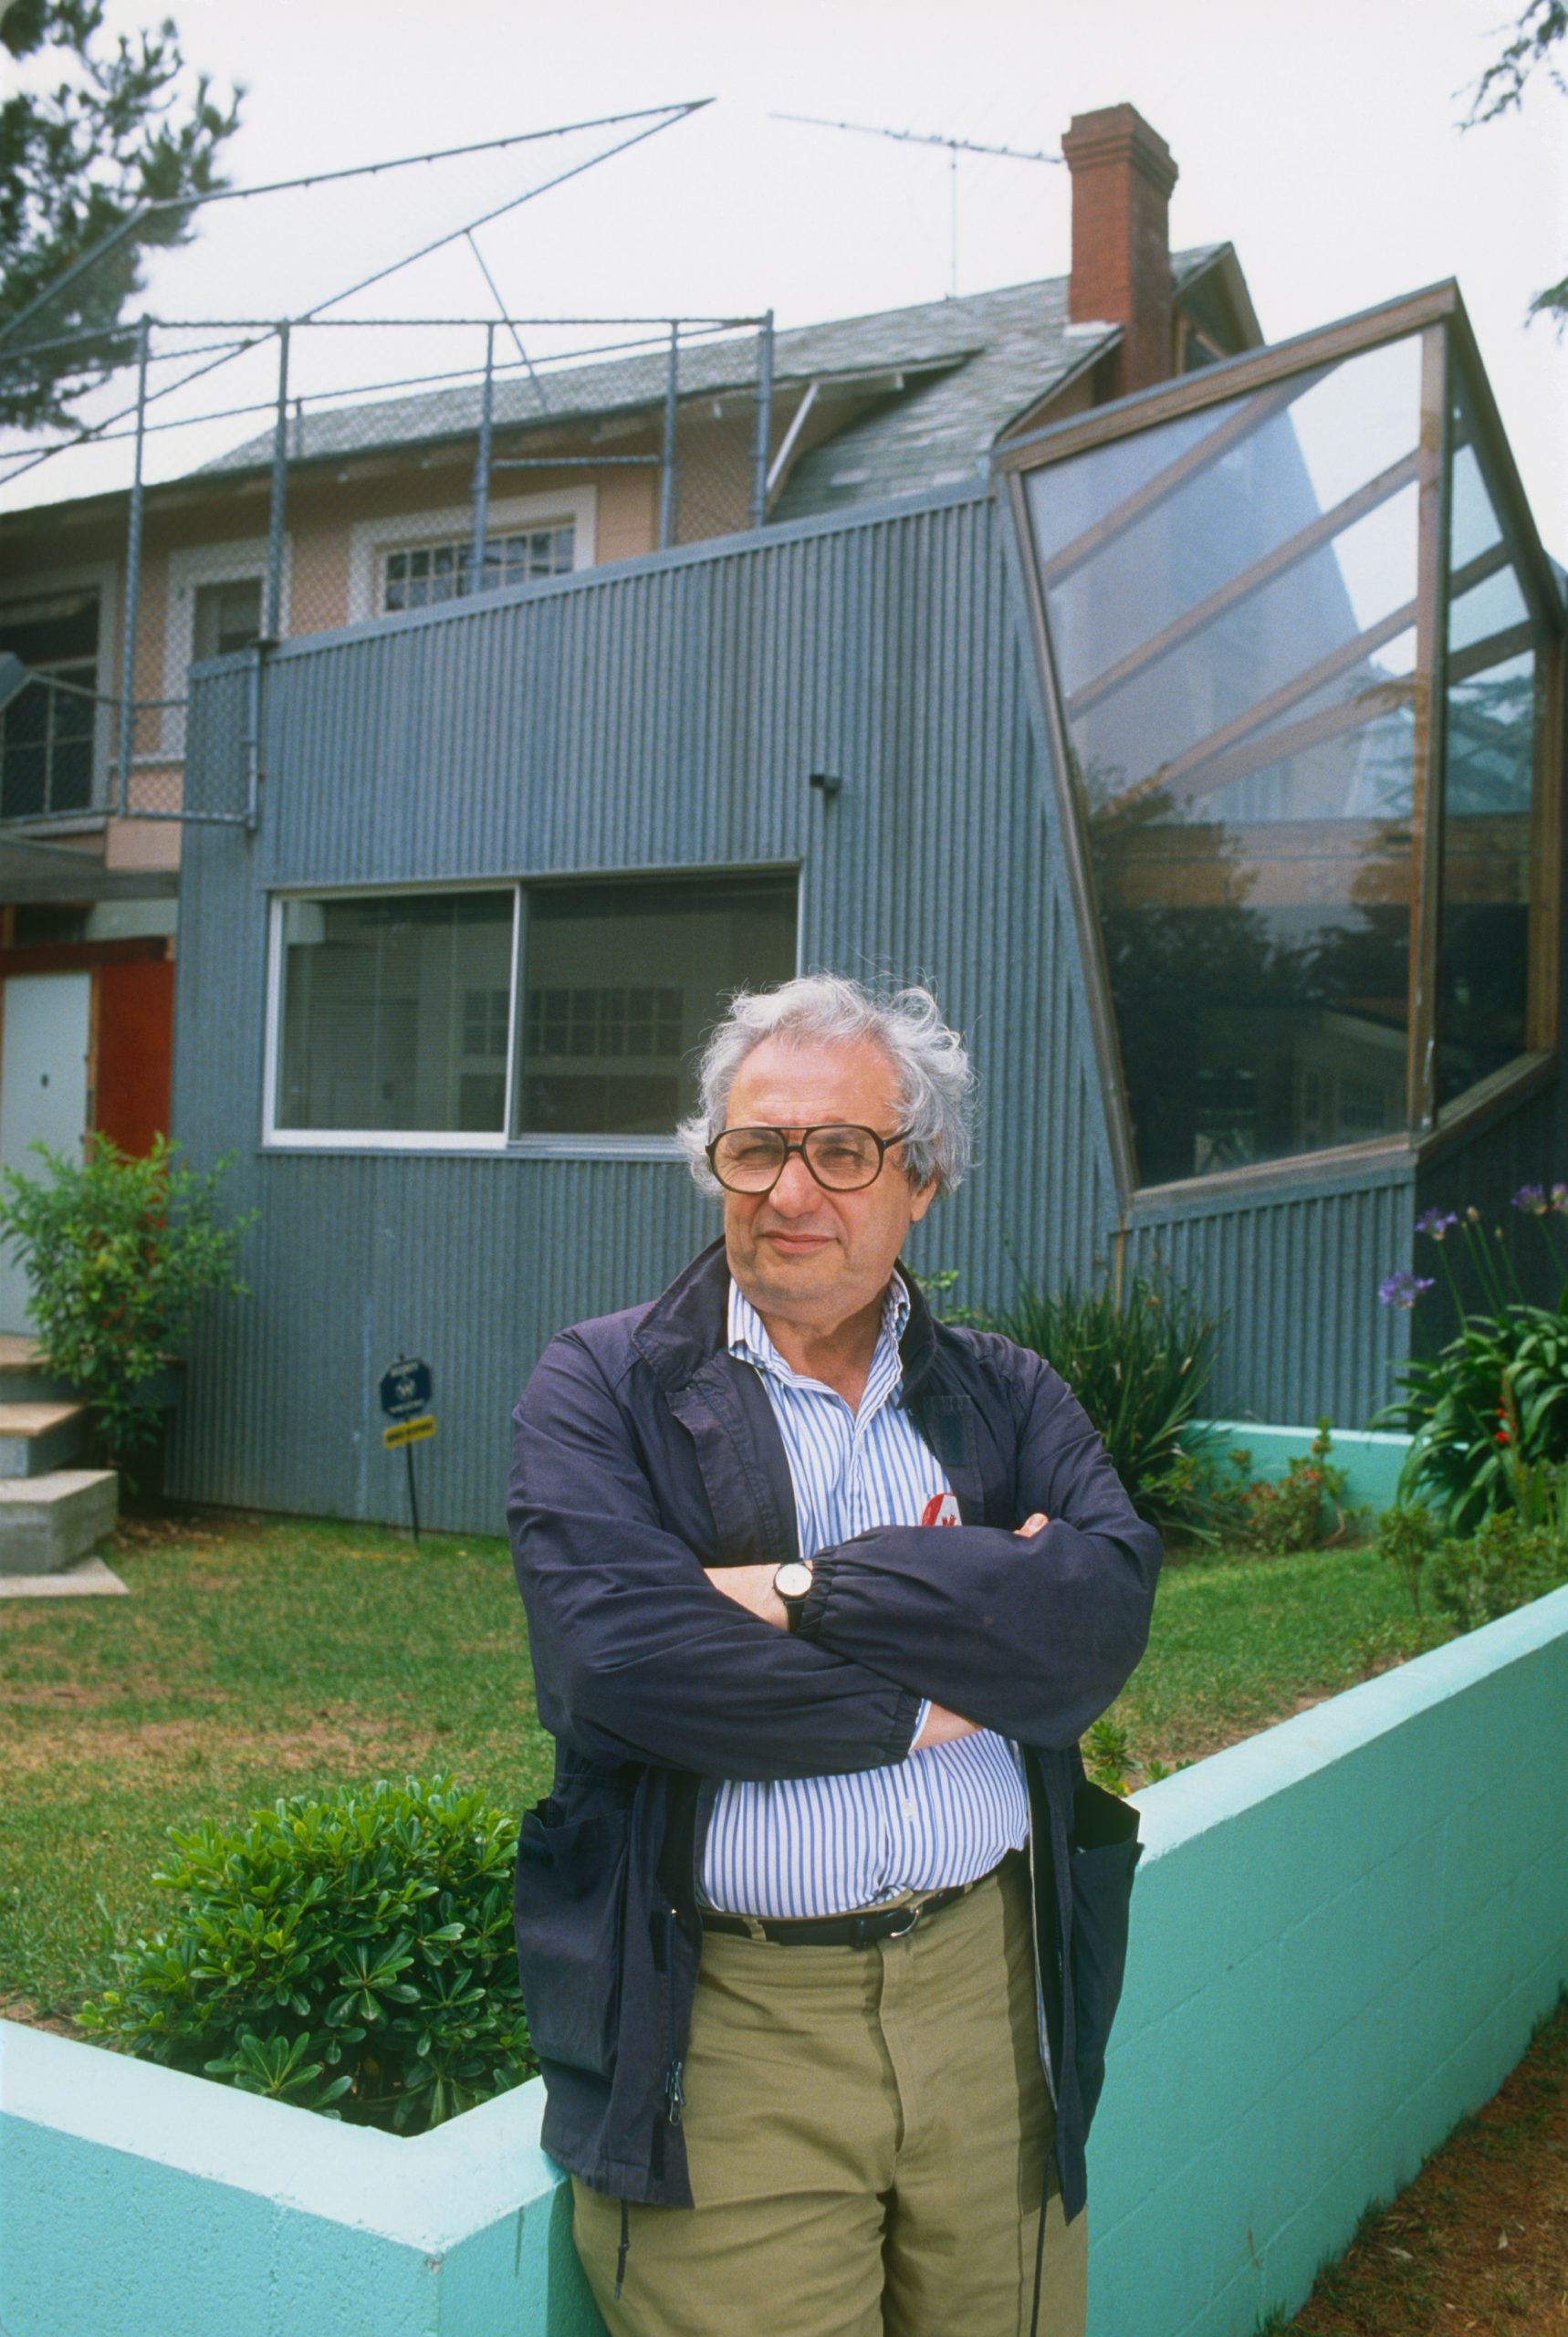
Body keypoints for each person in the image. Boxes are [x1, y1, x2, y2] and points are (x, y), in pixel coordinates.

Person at [508, 975, 1162, 2337]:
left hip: (993, 2011)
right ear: (715, 1166)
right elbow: (621, 1667)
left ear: (919, 1179)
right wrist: (949, 1688)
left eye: (841, 1152)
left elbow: (1091, 1620)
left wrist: (799, 1590)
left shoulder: (1005, 1393)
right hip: (730, 2043)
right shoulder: (602, 1387)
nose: (788, 1190)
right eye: (754, 1148)